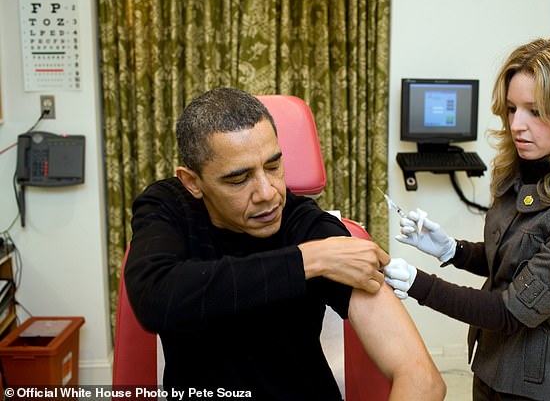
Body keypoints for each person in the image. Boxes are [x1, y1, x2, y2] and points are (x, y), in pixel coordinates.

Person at [125, 87, 445, 400]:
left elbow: (422, 380)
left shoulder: (309, 227)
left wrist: (315, 253)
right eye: (239, 179)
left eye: (274, 166)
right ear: (193, 182)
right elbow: (156, 299)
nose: (268, 193)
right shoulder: (168, 207)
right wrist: (308, 261)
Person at [384, 35, 550, 401]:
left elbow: (512, 310)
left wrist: (419, 284)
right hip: (494, 364)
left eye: (536, 111)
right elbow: (514, 262)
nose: (517, 124)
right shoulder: (520, 175)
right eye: (512, 109)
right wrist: (453, 250)